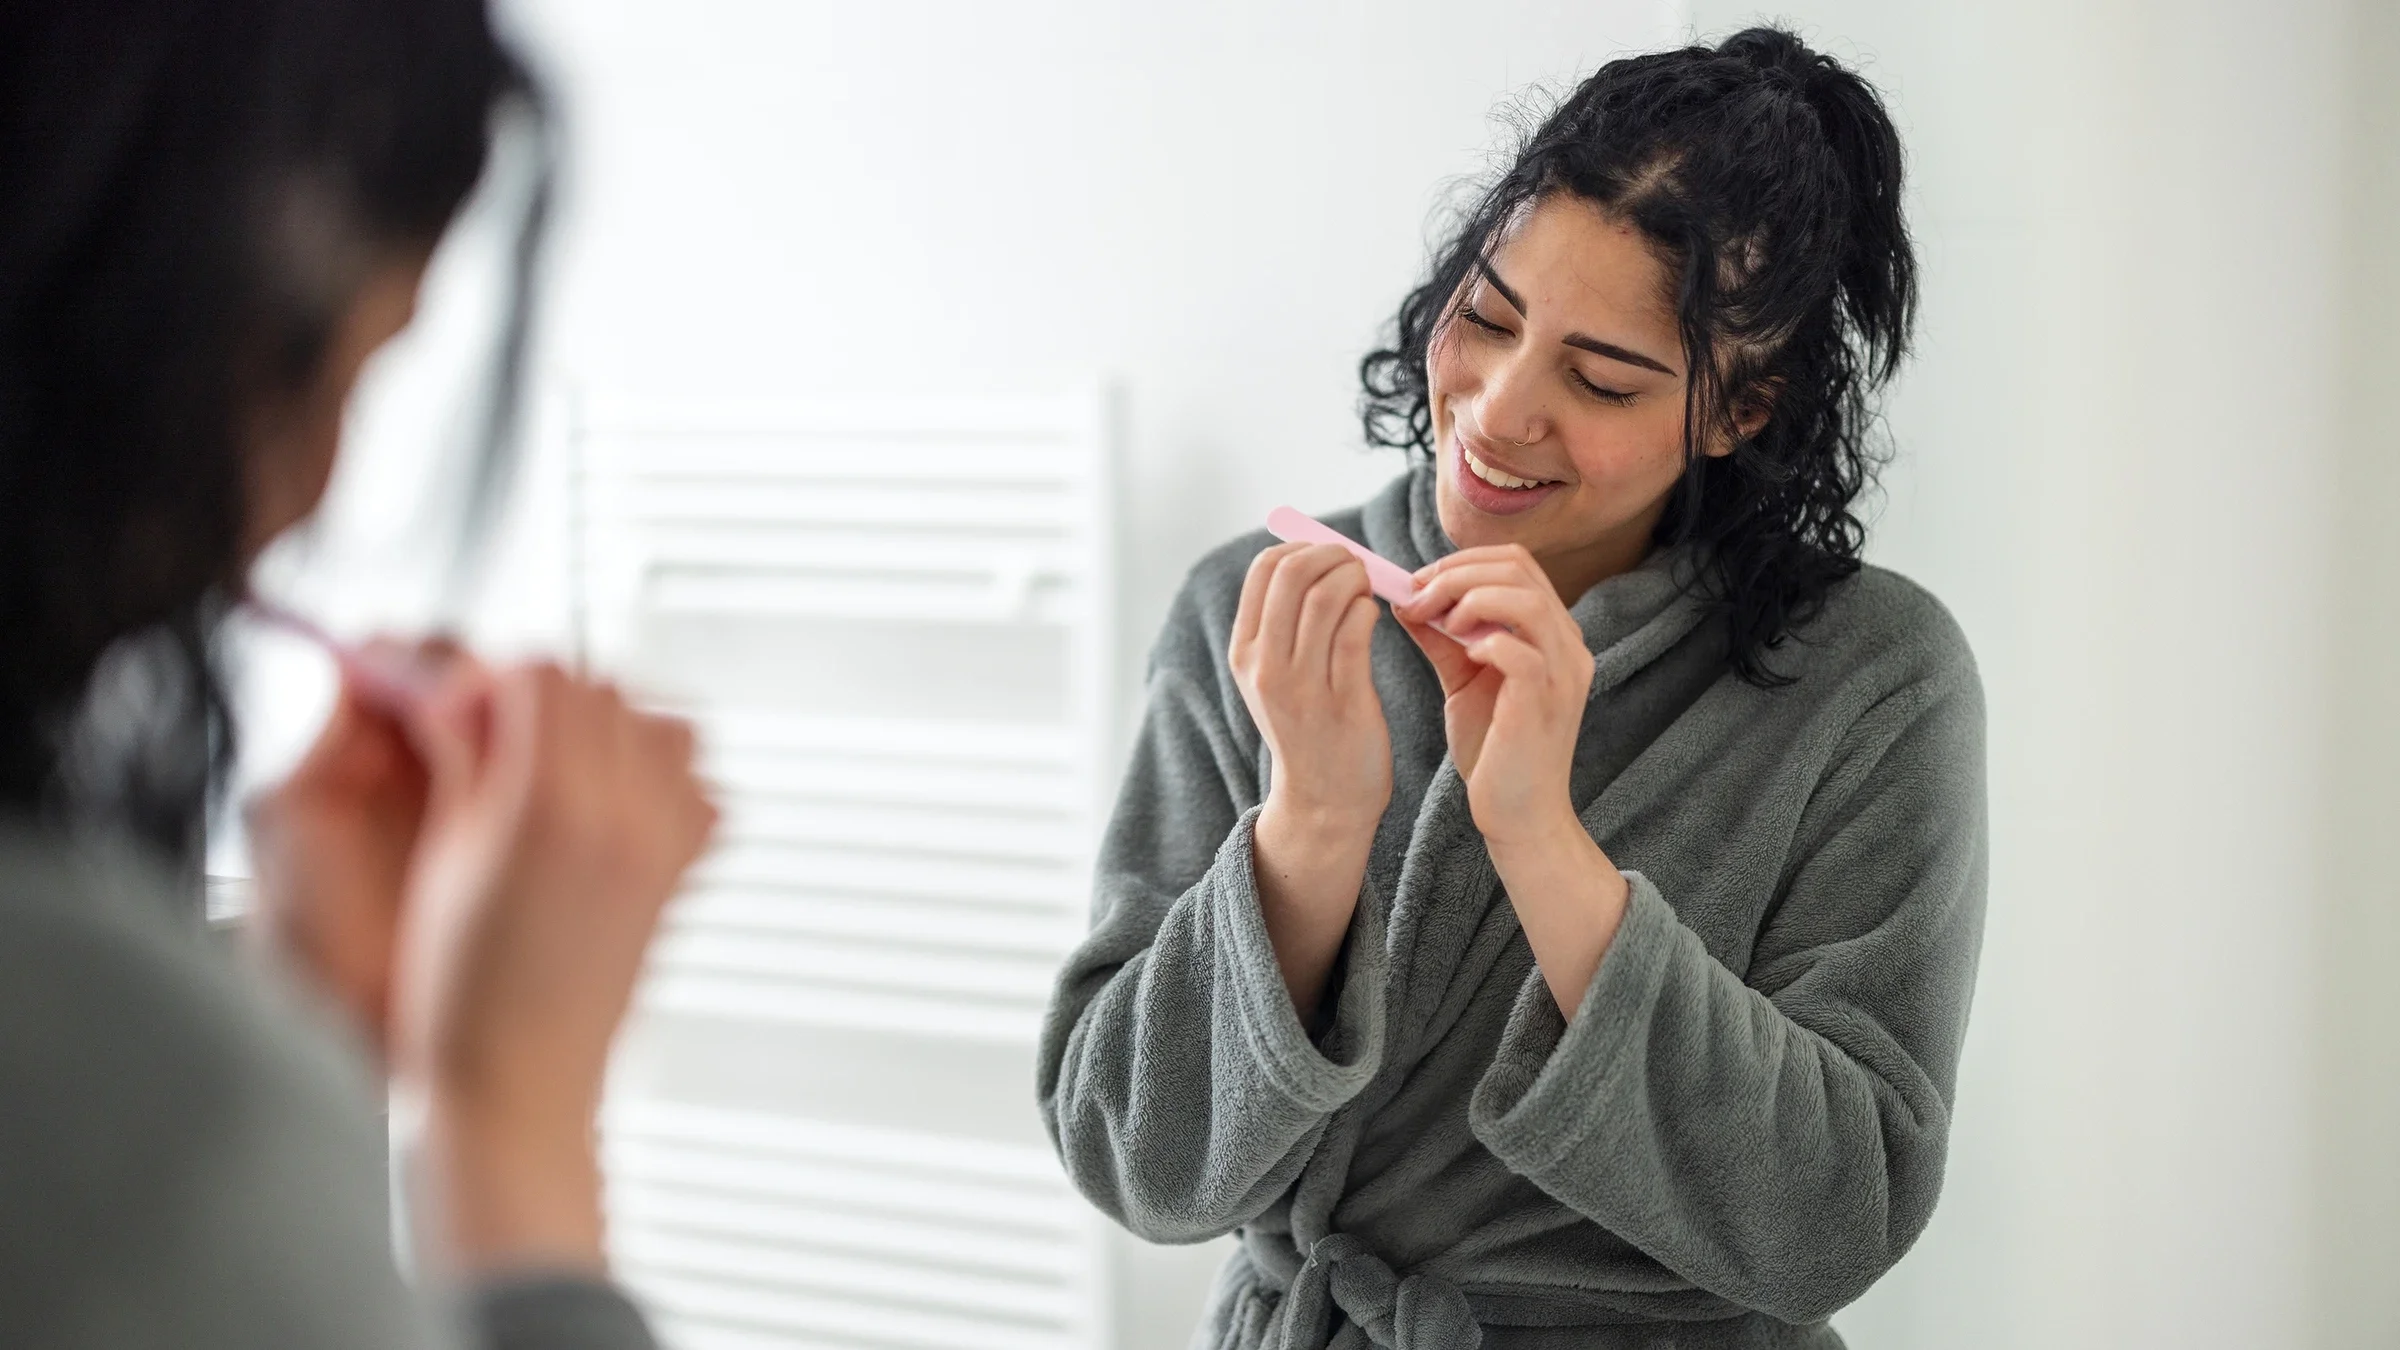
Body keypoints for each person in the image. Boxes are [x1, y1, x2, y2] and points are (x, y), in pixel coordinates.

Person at [1041, 27, 1987, 1350]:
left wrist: (1543, 835)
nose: (1493, 411)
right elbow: (1130, 1157)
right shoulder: (1255, 612)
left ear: (1742, 407)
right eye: (1483, 317)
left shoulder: (1874, 677)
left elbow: (1833, 1216)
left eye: (1600, 378)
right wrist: (1306, 832)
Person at [0, 1, 713, 1346]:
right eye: (318, 373)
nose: (319, 486)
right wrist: (507, 1128)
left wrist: (296, 1026)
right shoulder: (109, 1106)